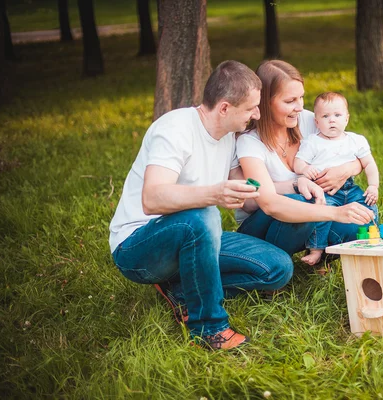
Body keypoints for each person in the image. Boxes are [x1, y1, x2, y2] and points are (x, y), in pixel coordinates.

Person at [109, 60, 294, 350]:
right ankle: (208, 328)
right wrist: (214, 194)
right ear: (224, 108)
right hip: (139, 248)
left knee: (277, 268)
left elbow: (248, 191)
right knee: (204, 215)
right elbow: (152, 198)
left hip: (199, 238)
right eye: (250, 108)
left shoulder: (230, 137)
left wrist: (298, 185)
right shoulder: (175, 129)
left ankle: (181, 291)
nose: (258, 114)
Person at [235, 60, 374, 261]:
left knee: (358, 224)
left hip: (313, 211)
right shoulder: (250, 142)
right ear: (266, 101)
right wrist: (298, 184)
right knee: (301, 201)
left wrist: (347, 169)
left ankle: (318, 258)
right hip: (261, 226)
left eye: (301, 97)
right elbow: (262, 200)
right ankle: (274, 263)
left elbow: (355, 150)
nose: (299, 107)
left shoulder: (310, 120)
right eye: (290, 101)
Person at [293, 92, 379, 265]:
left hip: (350, 188)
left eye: (337, 115)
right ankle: (317, 249)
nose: (332, 120)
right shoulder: (313, 142)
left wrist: (373, 185)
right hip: (325, 190)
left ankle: (371, 240)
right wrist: (306, 168)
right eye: (325, 116)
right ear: (316, 122)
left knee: (369, 207)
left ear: (346, 119)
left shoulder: (355, 140)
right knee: (321, 213)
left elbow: (369, 163)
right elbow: (298, 163)